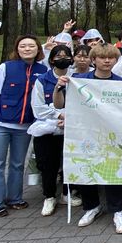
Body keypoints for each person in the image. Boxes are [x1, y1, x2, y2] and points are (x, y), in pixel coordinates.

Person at [53, 43, 122, 234]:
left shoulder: (121, 82)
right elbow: (59, 104)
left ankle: (118, 210)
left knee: (112, 171)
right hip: (84, 134)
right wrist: (58, 88)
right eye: (101, 58)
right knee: (86, 169)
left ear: (115, 60)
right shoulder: (78, 80)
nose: (106, 61)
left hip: (112, 135)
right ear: (93, 60)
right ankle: (91, 207)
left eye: (110, 58)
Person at [0, 35, 47, 218]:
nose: (27, 49)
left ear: (38, 49)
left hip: (24, 126)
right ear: (17, 49)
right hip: (1, 123)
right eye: (23, 46)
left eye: (31, 46)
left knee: (18, 163)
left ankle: (15, 198)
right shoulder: (6, 67)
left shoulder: (42, 71)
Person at [30, 45, 82, 216]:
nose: (62, 58)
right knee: (48, 165)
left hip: (73, 128)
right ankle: (49, 196)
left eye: (66, 55)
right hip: (48, 129)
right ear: (51, 60)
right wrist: (59, 116)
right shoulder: (42, 80)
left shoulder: (78, 78)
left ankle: (68, 193)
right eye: (58, 56)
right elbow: (38, 108)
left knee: (71, 163)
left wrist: (71, 118)